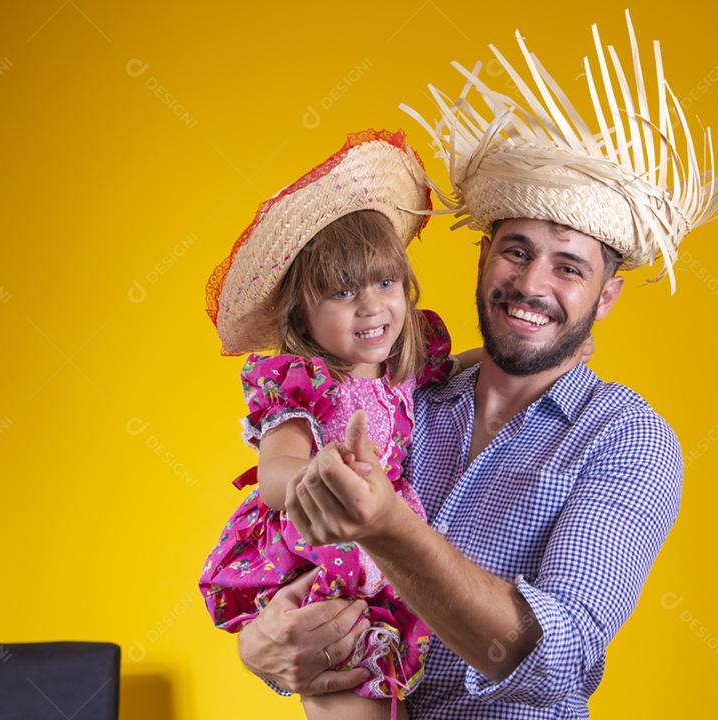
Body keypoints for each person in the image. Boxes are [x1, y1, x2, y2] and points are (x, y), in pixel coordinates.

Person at [236, 12, 718, 719]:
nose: (531, 286)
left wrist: (392, 528)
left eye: (569, 267)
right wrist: (264, 647)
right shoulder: (400, 392)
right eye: (516, 251)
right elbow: (301, 564)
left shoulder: (626, 439)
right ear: (483, 256)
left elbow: (561, 662)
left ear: (606, 296)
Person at [198, 129, 482, 720]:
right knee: (345, 684)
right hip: (322, 549)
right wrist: (320, 475)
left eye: (385, 283)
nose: (372, 305)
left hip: (382, 547)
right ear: (302, 309)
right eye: (343, 292)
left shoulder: (400, 367)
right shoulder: (302, 381)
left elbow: (453, 369)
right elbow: (275, 470)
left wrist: (499, 358)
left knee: (387, 691)